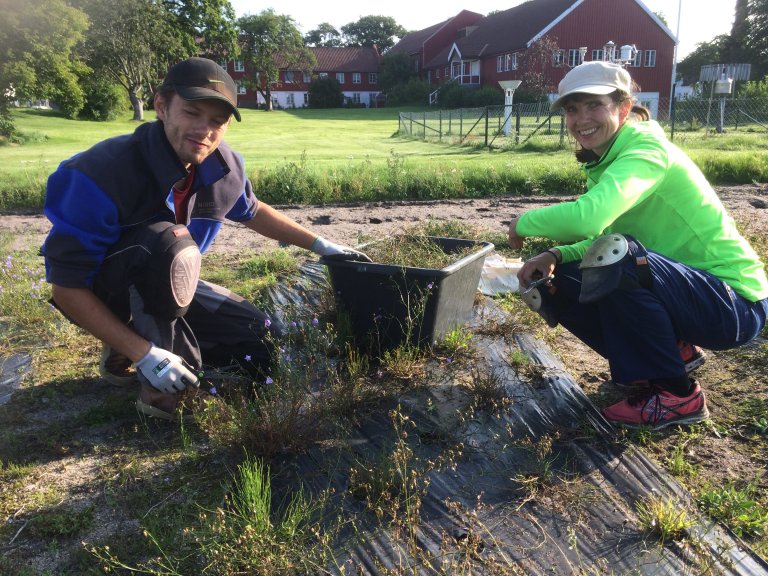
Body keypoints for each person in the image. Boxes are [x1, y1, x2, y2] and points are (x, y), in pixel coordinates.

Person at [42, 57, 368, 420]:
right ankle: (158, 393)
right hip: (106, 290)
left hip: (169, 281)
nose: (205, 130)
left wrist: (320, 244)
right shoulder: (100, 173)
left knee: (259, 335)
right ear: (161, 105)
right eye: (192, 113)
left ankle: (127, 343)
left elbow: (252, 209)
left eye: (217, 121)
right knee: (166, 246)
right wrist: (147, 355)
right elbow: (66, 288)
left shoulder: (223, 167)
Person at [507, 60, 768, 430]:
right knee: (557, 280)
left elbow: (589, 220)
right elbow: (602, 235)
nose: (581, 119)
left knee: (619, 257)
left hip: (734, 304)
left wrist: (523, 223)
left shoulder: (646, 151)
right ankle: (667, 357)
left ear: (624, 107)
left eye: (594, 105)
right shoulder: (609, 161)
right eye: (572, 109)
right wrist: (554, 254)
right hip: (691, 295)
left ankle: (678, 395)